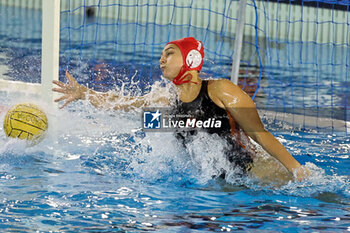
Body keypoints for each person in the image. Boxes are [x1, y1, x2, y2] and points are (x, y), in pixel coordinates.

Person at [52, 37, 309, 182]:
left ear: (191, 59)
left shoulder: (221, 90)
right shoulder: (166, 101)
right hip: (217, 182)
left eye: (170, 53)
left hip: (254, 172)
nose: (161, 59)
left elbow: (259, 133)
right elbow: (119, 105)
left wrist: (296, 170)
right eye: (161, 54)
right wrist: (84, 93)